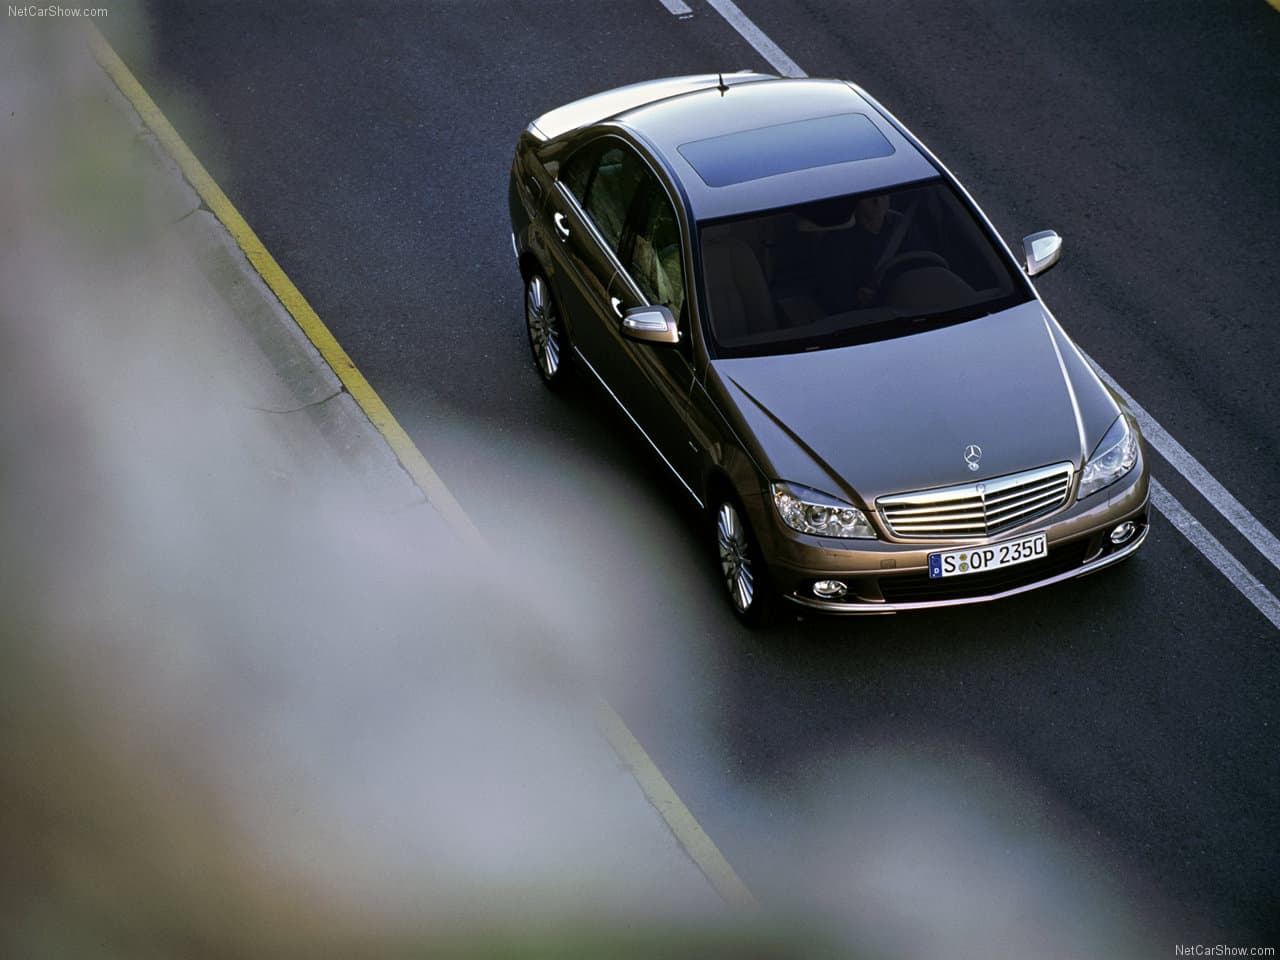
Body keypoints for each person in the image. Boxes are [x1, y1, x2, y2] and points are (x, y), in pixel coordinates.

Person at [818, 193, 903, 311]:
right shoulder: (837, 243)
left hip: (913, 307)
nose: (877, 202)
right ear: (856, 201)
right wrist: (858, 298)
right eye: (869, 196)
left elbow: (925, 266)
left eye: (883, 194)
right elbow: (835, 297)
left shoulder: (904, 228)